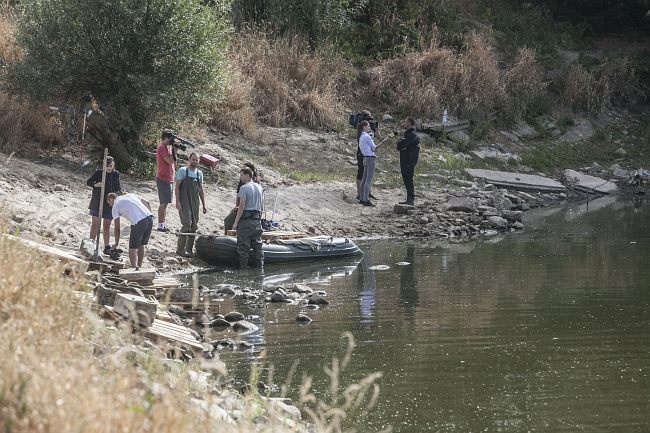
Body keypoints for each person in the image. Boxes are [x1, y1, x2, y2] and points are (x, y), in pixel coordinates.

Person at [107, 192, 153, 269]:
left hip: (138, 221)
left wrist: (116, 243)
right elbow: (147, 203)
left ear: (111, 199)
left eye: (109, 203)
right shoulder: (130, 195)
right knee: (141, 245)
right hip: (149, 218)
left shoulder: (115, 205)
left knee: (132, 248)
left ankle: (134, 268)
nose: (110, 206)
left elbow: (117, 228)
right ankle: (139, 267)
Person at [86, 156, 121, 255]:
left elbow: (118, 188)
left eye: (110, 166)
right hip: (97, 202)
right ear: (104, 165)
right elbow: (89, 182)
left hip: (109, 204)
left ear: (113, 165)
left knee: (107, 225)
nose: (109, 168)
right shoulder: (98, 173)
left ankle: (106, 246)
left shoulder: (116, 174)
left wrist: (114, 196)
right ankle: (91, 244)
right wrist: (97, 185)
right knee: (95, 225)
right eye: (107, 166)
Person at [175, 153, 207, 257]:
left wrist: (204, 204)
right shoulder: (183, 171)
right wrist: (178, 201)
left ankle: (189, 250)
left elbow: (201, 190)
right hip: (184, 201)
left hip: (195, 202)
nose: (195, 161)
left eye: (196, 160)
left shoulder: (199, 173)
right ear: (189, 160)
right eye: (193, 159)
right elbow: (177, 187)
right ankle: (180, 249)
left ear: (199, 161)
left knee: (194, 226)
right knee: (187, 224)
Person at [231, 167, 264, 268]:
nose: (240, 177)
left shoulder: (244, 188)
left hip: (246, 222)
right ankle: (260, 270)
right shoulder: (260, 188)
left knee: (243, 249)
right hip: (257, 221)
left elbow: (242, 206)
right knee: (258, 247)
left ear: (247, 175)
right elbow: (261, 206)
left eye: (241, 175)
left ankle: (244, 273)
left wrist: (236, 222)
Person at [358, 120, 387, 207]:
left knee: (364, 179)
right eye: (368, 126)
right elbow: (374, 148)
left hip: (365, 158)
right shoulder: (366, 136)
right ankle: (366, 200)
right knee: (368, 181)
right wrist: (383, 141)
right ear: (364, 127)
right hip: (370, 159)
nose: (370, 128)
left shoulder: (360, 136)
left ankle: (362, 198)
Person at [224, 161, 257, 233]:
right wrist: (236, 206)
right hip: (253, 211)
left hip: (247, 209)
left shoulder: (250, 184)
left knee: (228, 221)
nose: (241, 176)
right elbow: (238, 195)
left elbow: (243, 203)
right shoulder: (244, 183)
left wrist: (239, 208)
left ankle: (228, 238)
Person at [355, 111, 380, 201]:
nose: (370, 120)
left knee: (367, 175)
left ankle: (367, 193)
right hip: (363, 153)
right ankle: (360, 194)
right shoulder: (361, 128)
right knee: (361, 173)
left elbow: (378, 136)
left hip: (368, 152)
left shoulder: (371, 126)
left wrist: (376, 129)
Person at [396, 117, 421, 205]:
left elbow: (401, 144)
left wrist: (401, 144)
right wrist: (401, 144)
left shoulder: (413, 135)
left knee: (408, 179)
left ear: (410, 123)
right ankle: (409, 199)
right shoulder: (408, 134)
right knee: (406, 179)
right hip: (405, 159)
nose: (404, 123)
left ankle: (410, 199)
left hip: (409, 160)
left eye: (405, 121)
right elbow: (400, 145)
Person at [156, 129, 176, 232]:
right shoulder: (162, 147)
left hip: (169, 178)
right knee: (163, 203)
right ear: (165, 138)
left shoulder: (167, 147)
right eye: (170, 139)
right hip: (163, 178)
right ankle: (160, 225)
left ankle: (163, 224)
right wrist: (174, 150)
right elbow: (170, 161)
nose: (171, 141)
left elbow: (172, 163)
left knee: (166, 203)